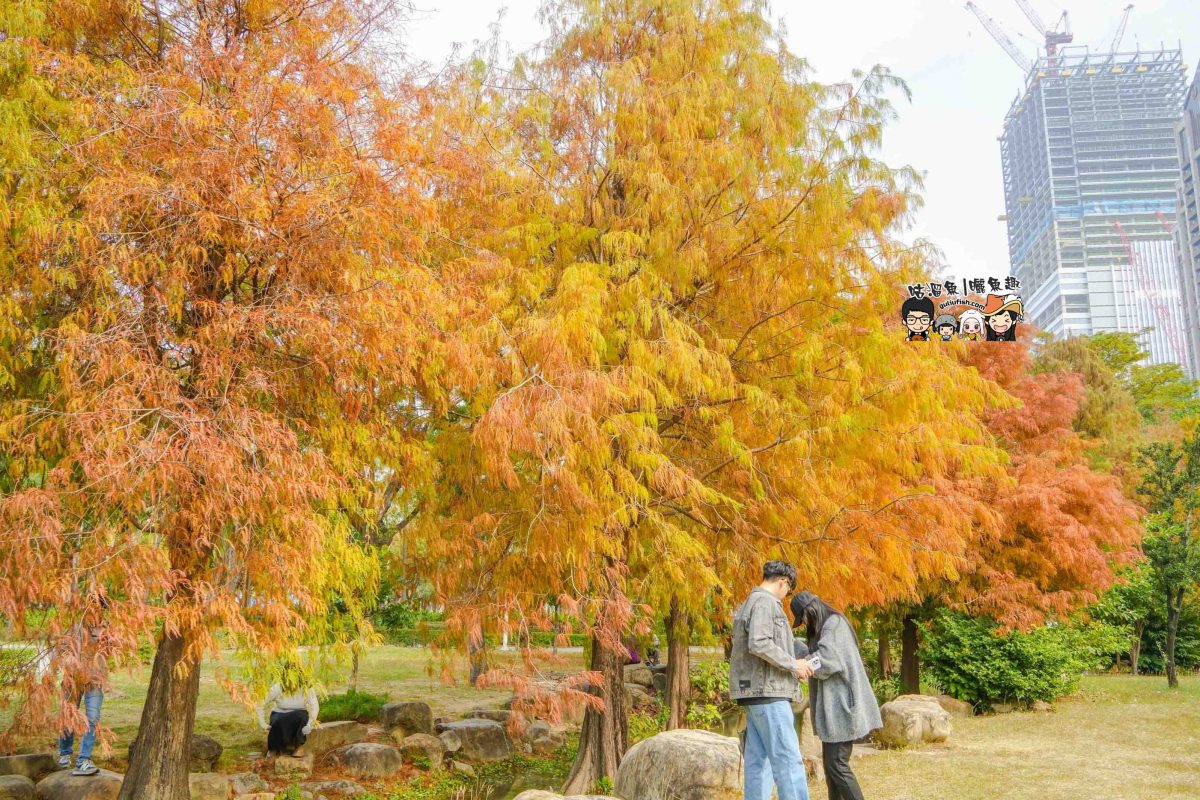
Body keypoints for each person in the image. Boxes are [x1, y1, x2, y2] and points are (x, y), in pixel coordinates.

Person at [729, 561, 813, 800]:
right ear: (783, 582)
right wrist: (794, 664)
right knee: (788, 761)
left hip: (755, 694)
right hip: (769, 694)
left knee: (759, 763)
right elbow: (760, 643)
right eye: (789, 591)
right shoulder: (765, 603)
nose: (787, 595)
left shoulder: (749, 603)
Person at [790, 591, 882, 800]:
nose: (804, 623)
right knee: (832, 768)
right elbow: (819, 656)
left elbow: (828, 659)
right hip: (835, 709)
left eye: (803, 618)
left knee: (837, 765)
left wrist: (803, 664)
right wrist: (795, 646)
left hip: (842, 707)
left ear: (810, 610)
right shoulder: (826, 627)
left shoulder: (834, 624)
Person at [57, 613, 108, 777]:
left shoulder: (107, 628)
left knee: (92, 718)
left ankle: (84, 760)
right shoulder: (75, 626)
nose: (96, 610)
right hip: (72, 679)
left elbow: (112, 651)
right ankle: (64, 753)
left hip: (95, 680)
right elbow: (61, 650)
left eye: (100, 607)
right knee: (69, 716)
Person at [257, 658, 320, 757]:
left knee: (301, 717)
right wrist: (262, 723)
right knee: (278, 721)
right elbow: (260, 703)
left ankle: (299, 747)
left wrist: (309, 724)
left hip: (299, 714)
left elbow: (315, 706)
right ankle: (273, 749)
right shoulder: (278, 687)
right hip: (280, 714)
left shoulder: (306, 687)